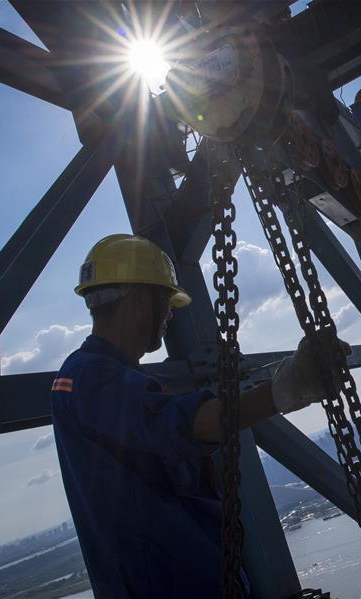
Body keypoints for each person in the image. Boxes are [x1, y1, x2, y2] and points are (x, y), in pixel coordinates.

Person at [52, 234, 344, 598]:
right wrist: (290, 388)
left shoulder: (120, 379)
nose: (170, 315)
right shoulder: (87, 376)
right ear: (141, 302)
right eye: (167, 303)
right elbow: (184, 424)